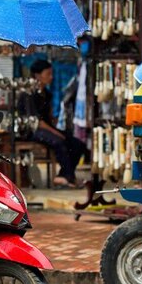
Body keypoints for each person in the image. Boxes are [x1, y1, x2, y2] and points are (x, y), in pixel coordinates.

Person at [19, 59, 87, 188]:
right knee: (59, 141)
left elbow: (49, 118)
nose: (51, 77)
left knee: (78, 144)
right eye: (48, 74)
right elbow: (37, 122)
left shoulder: (47, 94)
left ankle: (64, 176)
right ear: (38, 75)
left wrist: (59, 130)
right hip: (31, 130)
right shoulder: (28, 93)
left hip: (45, 128)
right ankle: (68, 177)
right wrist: (57, 133)